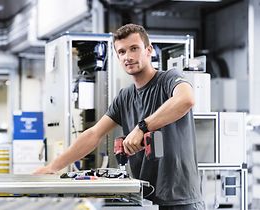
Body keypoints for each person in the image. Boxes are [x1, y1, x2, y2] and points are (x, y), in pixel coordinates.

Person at [34, 24, 204, 210]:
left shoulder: (169, 79)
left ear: (148, 51)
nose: (128, 56)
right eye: (122, 52)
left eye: (134, 49)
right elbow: (93, 134)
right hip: (145, 198)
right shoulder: (125, 97)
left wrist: (142, 128)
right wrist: (53, 167)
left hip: (181, 199)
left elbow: (186, 99)